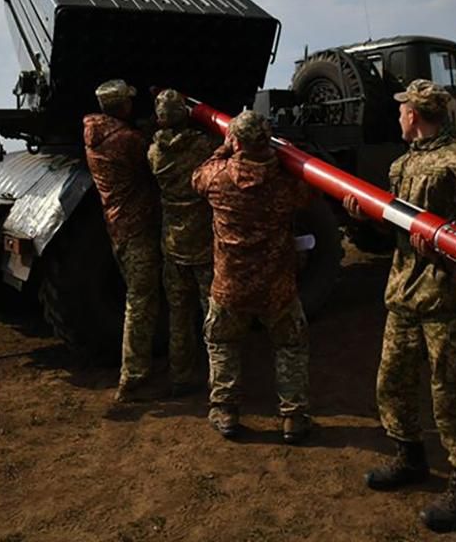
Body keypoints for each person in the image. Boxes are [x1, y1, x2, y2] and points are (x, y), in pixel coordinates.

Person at [344, 79, 456, 533]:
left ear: (413, 114)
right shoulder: (403, 164)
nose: (398, 116)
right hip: (405, 293)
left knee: (452, 394)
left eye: (402, 110)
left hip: (450, 299)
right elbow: (396, 230)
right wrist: (365, 219)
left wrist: (440, 241)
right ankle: (409, 457)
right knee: (392, 382)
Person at [192, 109, 314, 443]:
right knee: (290, 345)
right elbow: (307, 195)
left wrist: (223, 148)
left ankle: (226, 412)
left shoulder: (217, 178)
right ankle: (293, 418)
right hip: (277, 285)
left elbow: (197, 177)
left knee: (223, 343)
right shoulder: (285, 183)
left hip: (230, 284)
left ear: (236, 142)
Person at [83, 79, 162, 403]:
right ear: (123, 106)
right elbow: (156, 158)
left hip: (118, 227)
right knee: (141, 301)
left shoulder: (93, 132)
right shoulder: (128, 140)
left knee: (138, 296)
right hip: (136, 227)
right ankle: (134, 378)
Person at [147, 89, 216, 396]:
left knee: (179, 316)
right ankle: (217, 377)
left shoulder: (154, 152)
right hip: (203, 245)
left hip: (173, 245)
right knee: (212, 313)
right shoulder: (202, 147)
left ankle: (180, 376)